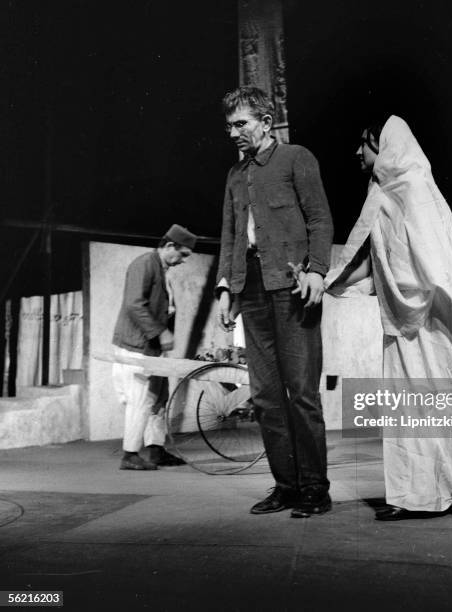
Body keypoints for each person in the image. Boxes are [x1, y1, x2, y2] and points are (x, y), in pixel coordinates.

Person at [325, 116, 452, 520]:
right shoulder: (381, 192)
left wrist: (408, 298)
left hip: (430, 325)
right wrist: (329, 281)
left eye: (363, 144)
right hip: (402, 325)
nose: (356, 152)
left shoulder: (415, 189)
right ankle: (417, 495)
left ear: (383, 146)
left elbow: (434, 267)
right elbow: (373, 260)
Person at [216, 86, 334, 517]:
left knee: (301, 393)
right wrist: (227, 288)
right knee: (265, 396)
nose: (233, 133)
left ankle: (315, 490)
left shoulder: (296, 159)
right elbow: (231, 235)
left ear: (266, 123)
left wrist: (318, 270)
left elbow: (320, 219)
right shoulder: (234, 175)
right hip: (251, 292)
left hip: (293, 289)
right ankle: (286, 486)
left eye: (241, 124)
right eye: (229, 126)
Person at [112, 224, 198, 470]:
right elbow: (134, 304)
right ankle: (129, 454)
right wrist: (160, 332)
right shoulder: (145, 264)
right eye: (182, 255)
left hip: (153, 349)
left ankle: (155, 449)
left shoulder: (162, 269)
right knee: (140, 400)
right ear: (169, 245)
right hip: (136, 346)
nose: (182, 261)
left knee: (158, 398)